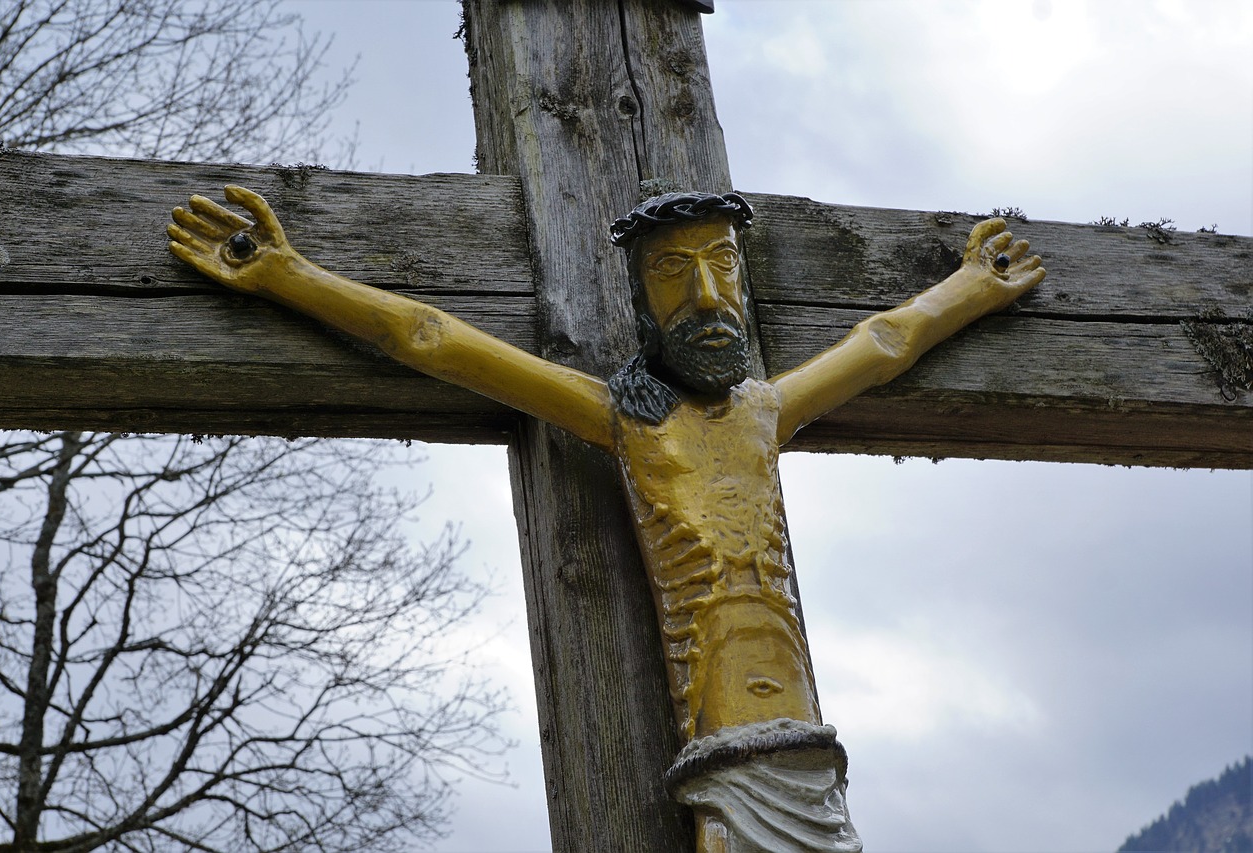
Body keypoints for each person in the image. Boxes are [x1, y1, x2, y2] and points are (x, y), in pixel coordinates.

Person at [169, 187, 1043, 852]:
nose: (708, 295)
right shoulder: (629, 421)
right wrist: (289, 275)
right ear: (640, 302)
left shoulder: (765, 409)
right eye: (673, 272)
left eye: (724, 265)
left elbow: (886, 342)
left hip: (815, 759)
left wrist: (969, 288)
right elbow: (429, 338)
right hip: (726, 760)